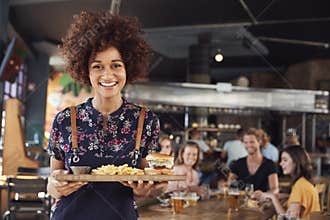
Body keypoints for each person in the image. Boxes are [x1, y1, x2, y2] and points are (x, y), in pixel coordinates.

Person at [47, 11, 164, 220]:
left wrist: (148, 190)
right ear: (85, 70)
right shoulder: (65, 120)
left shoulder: (146, 121)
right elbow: (52, 185)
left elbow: (151, 186)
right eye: (97, 66)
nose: (107, 75)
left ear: (128, 67)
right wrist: (57, 186)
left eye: (116, 65)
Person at [258, 145, 320, 218]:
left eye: (285, 160)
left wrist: (273, 197)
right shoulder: (303, 182)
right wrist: (280, 196)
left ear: (296, 161)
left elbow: (289, 219)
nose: (281, 163)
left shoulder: (300, 186)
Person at [228, 128, 279, 194]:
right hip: (241, 202)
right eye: (246, 142)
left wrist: (263, 196)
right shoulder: (237, 163)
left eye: (252, 142)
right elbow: (230, 184)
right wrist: (229, 183)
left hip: (263, 203)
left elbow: (275, 189)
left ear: (259, 142)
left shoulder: (270, 164)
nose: (248, 145)